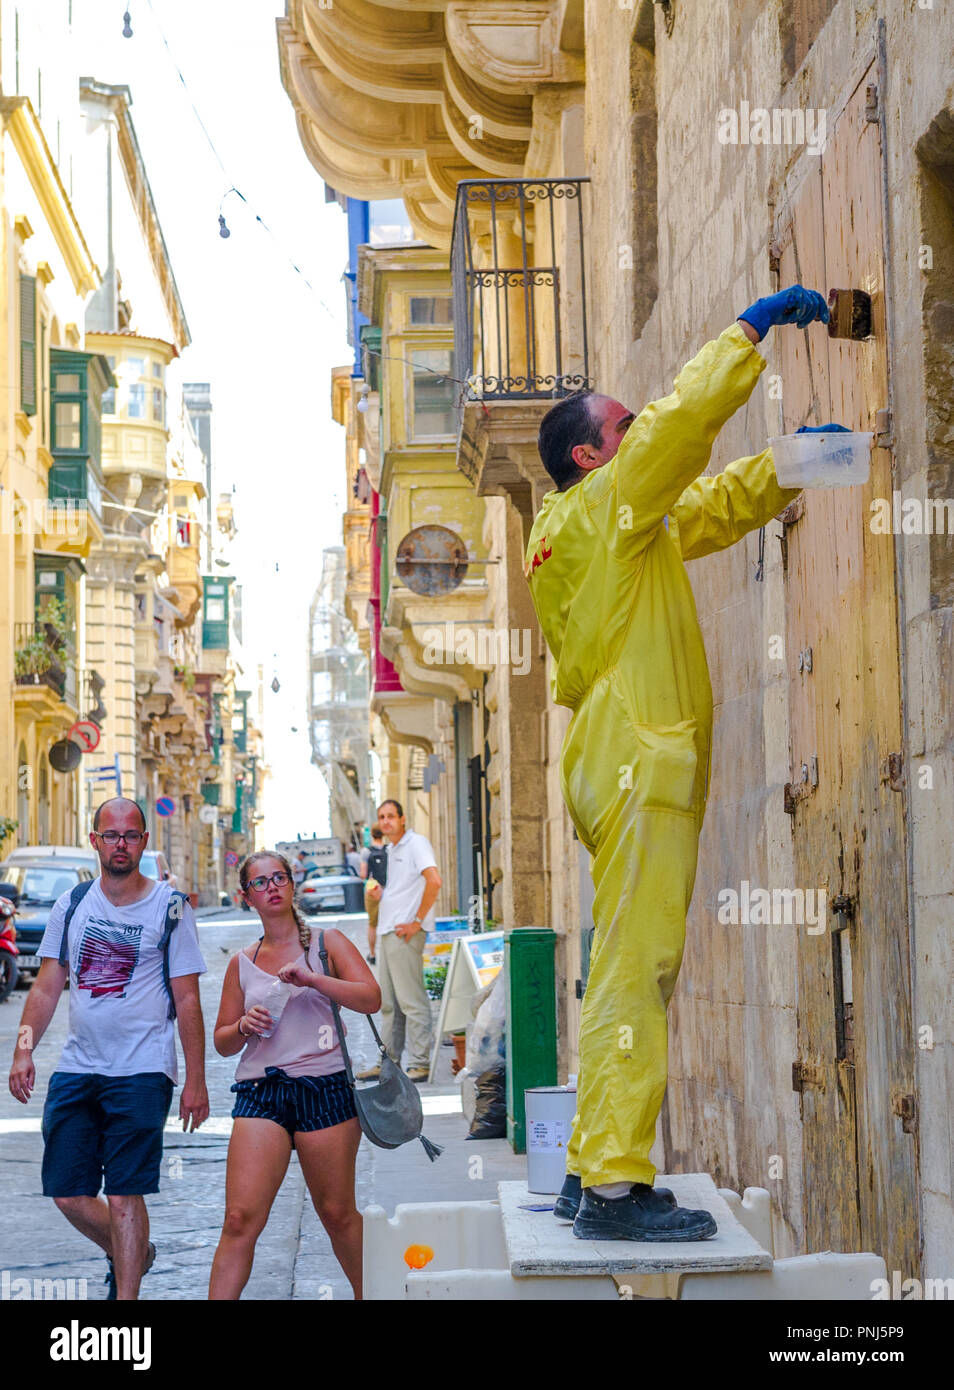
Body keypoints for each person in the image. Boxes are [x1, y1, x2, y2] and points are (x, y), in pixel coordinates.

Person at [526, 286, 837, 1242]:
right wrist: (749, 332)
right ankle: (617, 1186)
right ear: (592, 454)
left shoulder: (610, 526)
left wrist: (798, 462)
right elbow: (678, 431)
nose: (635, 429)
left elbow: (705, 507)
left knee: (629, 964)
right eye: (620, 426)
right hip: (640, 762)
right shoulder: (600, 509)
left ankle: (589, 1168)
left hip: (619, 760)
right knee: (638, 964)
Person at [7, 796, 209, 1299]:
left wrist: (196, 1080)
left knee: (123, 1194)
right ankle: (134, 1252)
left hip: (143, 1070)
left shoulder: (171, 907)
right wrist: (24, 1049)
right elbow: (47, 987)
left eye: (132, 835)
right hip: (78, 1068)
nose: (122, 844)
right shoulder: (72, 903)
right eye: (112, 835)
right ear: (95, 840)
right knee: (69, 1195)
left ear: (143, 841)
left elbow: (187, 998)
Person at [208, 851, 380, 1300]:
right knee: (239, 1219)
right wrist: (244, 1025)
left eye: (279, 878)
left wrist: (313, 980)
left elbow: (370, 997)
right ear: (247, 897)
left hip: (324, 1090)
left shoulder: (328, 943)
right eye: (260, 883)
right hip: (261, 1092)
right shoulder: (241, 962)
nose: (272, 887)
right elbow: (223, 1041)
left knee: (338, 1213)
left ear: (292, 885)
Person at [359, 801, 440, 1083]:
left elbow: (434, 881)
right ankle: (388, 1063)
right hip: (387, 931)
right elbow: (407, 888)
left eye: (391, 816)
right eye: (382, 817)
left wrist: (417, 921)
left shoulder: (416, 844)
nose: (386, 821)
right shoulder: (392, 850)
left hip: (405, 932)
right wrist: (384, 894)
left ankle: (419, 1063)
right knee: (390, 1004)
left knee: (411, 1001)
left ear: (403, 819)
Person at [363, 825, 388, 964]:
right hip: (388, 889)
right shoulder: (389, 850)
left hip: (373, 890)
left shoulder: (366, 852)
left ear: (372, 835)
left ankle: (372, 954)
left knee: (373, 924)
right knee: (390, 922)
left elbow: (363, 874)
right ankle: (388, 954)